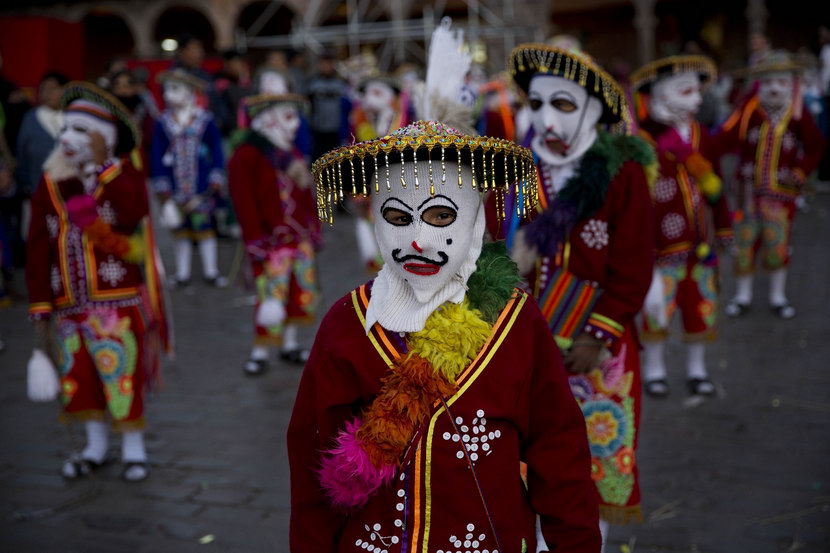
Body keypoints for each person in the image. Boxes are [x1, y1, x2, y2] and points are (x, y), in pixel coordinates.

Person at [288, 20, 601, 553]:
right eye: (397, 216)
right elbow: (311, 470)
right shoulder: (347, 324)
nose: (417, 240)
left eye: (440, 215)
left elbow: (560, 453)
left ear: (475, 221)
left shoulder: (515, 322)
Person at [506, 43, 656, 548]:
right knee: (531, 457)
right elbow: (494, 252)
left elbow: (634, 265)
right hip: (529, 343)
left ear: (593, 109)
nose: (546, 118)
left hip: (598, 349)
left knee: (595, 459)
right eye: (536, 104)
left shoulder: (622, 174)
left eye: (563, 104)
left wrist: (601, 336)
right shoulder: (519, 173)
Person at [25, 82, 170, 482]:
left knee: (121, 375)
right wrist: (41, 303)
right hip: (69, 303)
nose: (66, 138)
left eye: (79, 130)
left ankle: (134, 448)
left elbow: (131, 213)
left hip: (116, 301)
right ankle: (95, 446)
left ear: (104, 138)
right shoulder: (51, 182)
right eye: (65, 129)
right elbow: (37, 245)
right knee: (80, 378)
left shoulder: (122, 176)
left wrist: (107, 167)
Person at [629, 55, 733, 398]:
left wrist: (723, 227)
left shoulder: (702, 135)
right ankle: (655, 370)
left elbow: (717, 185)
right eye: (687, 92)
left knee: (701, 306)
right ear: (661, 96)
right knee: (658, 310)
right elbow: (636, 200)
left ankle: (696, 368)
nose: (698, 100)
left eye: (697, 92)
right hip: (660, 249)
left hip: (700, 244)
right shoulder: (643, 141)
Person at [718, 51, 826, 319]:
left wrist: (800, 172)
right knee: (744, 243)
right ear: (758, 86)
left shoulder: (798, 115)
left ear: (791, 84)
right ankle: (743, 295)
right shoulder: (749, 111)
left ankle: (778, 295)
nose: (774, 88)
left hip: (780, 196)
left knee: (778, 244)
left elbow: (816, 146)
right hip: (747, 194)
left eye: (780, 82)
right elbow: (724, 138)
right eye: (767, 83)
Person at [228, 93, 321, 375]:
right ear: (268, 120)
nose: (295, 125)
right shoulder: (246, 156)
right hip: (270, 243)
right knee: (269, 295)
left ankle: (289, 344)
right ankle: (260, 350)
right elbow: (244, 202)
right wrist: (254, 238)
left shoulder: (290, 153)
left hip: (299, 239)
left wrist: (313, 227)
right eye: (289, 117)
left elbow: (306, 196)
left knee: (299, 292)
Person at [150, 69, 227, 288]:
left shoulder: (205, 120)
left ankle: (211, 271)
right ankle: (182, 273)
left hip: (201, 186)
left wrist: (216, 175)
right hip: (175, 188)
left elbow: (216, 150)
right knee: (180, 230)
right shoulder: (164, 122)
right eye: (167, 90)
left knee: (205, 228)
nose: (169, 95)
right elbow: (156, 153)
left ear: (190, 92)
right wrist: (161, 184)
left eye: (175, 89)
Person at [350, 75, 412, 272]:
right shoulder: (359, 123)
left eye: (377, 93)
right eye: (367, 94)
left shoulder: (404, 123)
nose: (370, 99)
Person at [306, 52, 350, 160]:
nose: (326, 67)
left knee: (335, 158)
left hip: (336, 129)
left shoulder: (340, 83)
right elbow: (307, 106)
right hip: (318, 128)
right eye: (323, 65)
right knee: (319, 158)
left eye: (328, 64)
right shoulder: (312, 83)